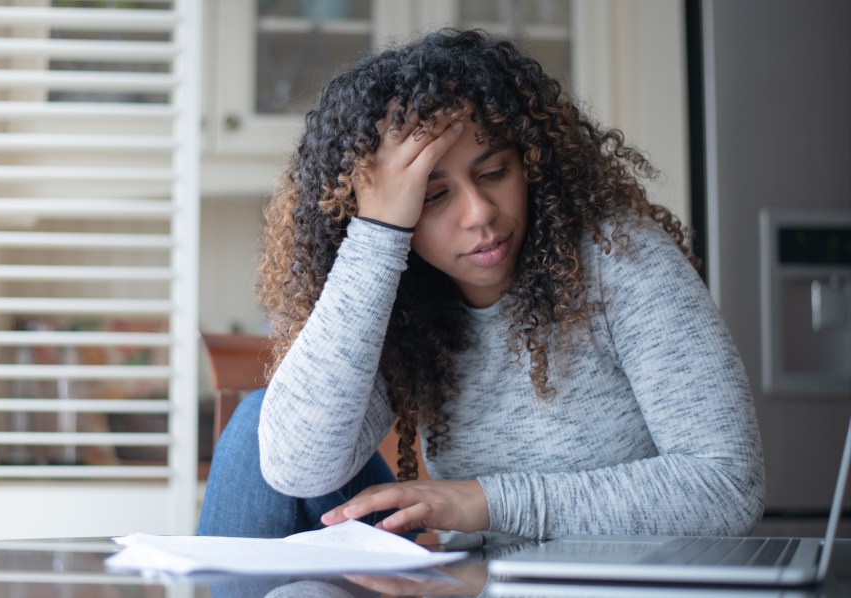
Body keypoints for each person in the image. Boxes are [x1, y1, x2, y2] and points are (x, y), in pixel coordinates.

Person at [198, 28, 765, 542]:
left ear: (533, 163)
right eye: (433, 196)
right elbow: (298, 467)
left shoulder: (621, 259)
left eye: (495, 172)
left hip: (598, 578)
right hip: (467, 580)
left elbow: (727, 487)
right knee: (259, 429)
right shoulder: (407, 295)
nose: (479, 214)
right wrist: (375, 237)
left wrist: (489, 501)